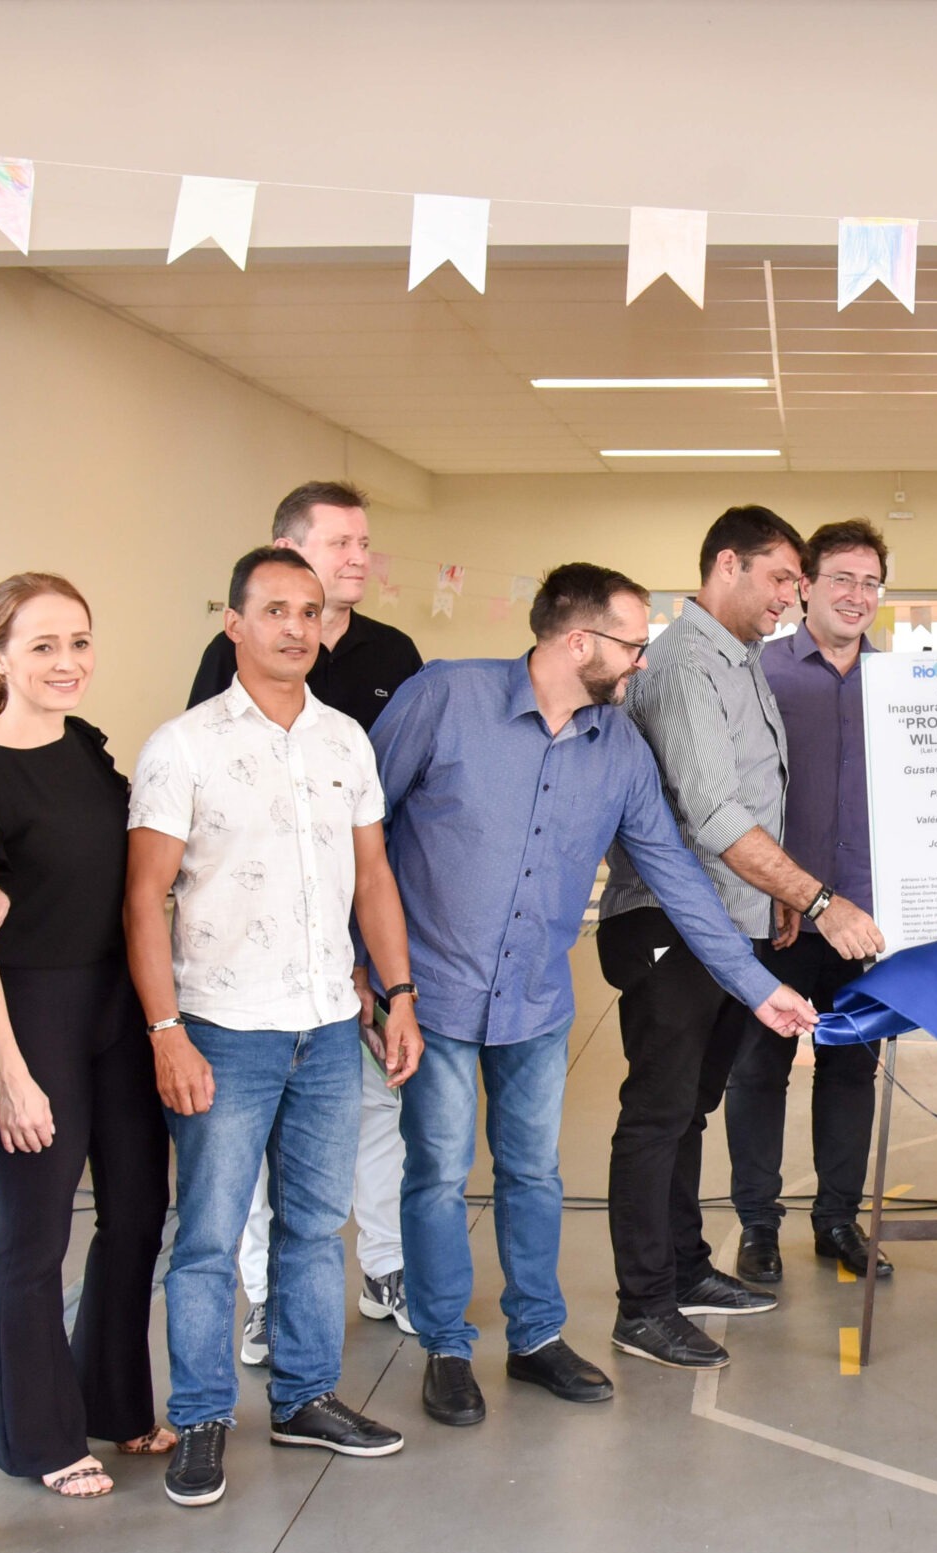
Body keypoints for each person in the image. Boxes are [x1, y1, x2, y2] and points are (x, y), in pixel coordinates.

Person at [373, 564, 816, 1423]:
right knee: (434, 1174)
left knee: (534, 1171)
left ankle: (537, 1337)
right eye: (630, 645)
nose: (640, 664)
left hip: (535, 1001)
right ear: (577, 642)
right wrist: (373, 973)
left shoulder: (617, 750)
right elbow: (364, 832)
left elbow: (680, 880)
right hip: (432, 993)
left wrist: (759, 988)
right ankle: (445, 1348)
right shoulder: (444, 699)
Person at [128, 545, 424, 1507]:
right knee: (210, 1236)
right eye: (276, 612)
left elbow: (372, 877)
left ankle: (304, 1400)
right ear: (236, 623)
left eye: (310, 612)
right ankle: (205, 1417)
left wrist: (399, 993)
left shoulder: (346, 741)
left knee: (313, 1226)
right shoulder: (184, 746)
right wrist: (166, 1029)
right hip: (222, 1025)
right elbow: (144, 900)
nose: (297, 628)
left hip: (330, 1025)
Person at [597, 507, 885, 1369]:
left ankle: (684, 1268)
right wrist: (820, 896)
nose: (791, 597)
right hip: (672, 924)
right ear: (729, 564)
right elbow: (715, 814)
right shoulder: (688, 662)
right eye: (782, 579)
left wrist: (777, 902)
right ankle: (642, 1304)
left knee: (691, 1107)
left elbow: (754, 798)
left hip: (729, 924)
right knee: (657, 1114)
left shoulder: (739, 660)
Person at [0, 573, 174, 1500]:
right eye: (42, 647)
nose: (67, 664)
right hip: (26, 1010)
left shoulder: (91, 750)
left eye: (79, 642)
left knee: (140, 1211)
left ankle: (113, 1400)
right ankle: (38, 1437)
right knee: (34, 1235)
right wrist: (12, 1076)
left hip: (114, 1003)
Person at [188, 482, 423, 1367]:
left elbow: (391, 823)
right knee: (247, 1147)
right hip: (255, 955)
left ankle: (386, 1270)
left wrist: (382, 963)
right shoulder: (231, 666)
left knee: (374, 1113)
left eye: (366, 543)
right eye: (340, 542)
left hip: (359, 924)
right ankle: (263, 1298)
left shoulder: (395, 653)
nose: (359, 557)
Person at [723, 520, 897, 1281]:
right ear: (805, 587)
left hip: (863, 921)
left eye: (870, 583)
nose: (857, 596)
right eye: (841, 580)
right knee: (757, 1070)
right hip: (777, 913)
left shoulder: (901, 689)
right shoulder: (758, 673)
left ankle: (838, 1221)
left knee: (851, 1070)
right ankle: (759, 1226)